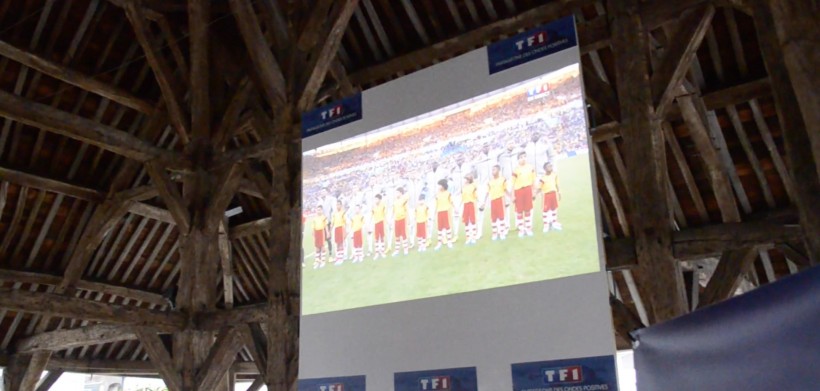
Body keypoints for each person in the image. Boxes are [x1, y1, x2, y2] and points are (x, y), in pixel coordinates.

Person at [512, 151, 535, 237]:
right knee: (519, 211)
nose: (523, 159)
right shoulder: (516, 170)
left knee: (528, 210)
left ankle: (528, 228)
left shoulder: (530, 167)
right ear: (518, 159)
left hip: (528, 189)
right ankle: (521, 229)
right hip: (518, 191)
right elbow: (512, 183)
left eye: (524, 157)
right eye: (521, 157)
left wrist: (534, 191)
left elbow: (533, 180)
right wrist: (512, 195)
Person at [485, 164, 510, 240]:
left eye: (494, 169)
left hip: (500, 199)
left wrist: (511, 197)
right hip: (493, 200)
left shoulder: (503, 179)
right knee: (493, 218)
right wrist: (484, 201)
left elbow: (505, 190)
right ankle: (495, 233)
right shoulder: (490, 182)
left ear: (499, 171)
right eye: (492, 170)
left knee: (501, 217)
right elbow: (487, 192)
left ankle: (502, 232)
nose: (493, 171)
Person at [537, 161, 562, 232]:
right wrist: (535, 194)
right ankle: (546, 225)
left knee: (554, 208)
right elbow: (539, 188)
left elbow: (556, 184)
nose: (551, 167)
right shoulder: (543, 178)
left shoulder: (554, 175)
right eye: (549, 166)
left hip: (553, 194)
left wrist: (559, 191)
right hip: (546, 195)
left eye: (551, 166)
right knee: (545, 210)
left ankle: (554, 223)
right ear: (545, 169)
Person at [434, 179, 454, 250]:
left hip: (446, 211)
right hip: (439, 212)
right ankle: (439, 242)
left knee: (447, 227)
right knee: (439, 228)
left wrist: (455, 208)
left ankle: (449, 241)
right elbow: (436, 204)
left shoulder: (448, 193)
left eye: (440, 185)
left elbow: (451, 202)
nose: (439, 186)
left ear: (443, 186)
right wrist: (435, 212)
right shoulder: (437, 194)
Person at [392, 187, 410, 256]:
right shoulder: (395, 201)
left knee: (403, 234)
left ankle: (406, 249)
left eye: (397, 192)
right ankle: (397, 250)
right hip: (396, 219)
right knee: (397, 235)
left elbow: (406, 210)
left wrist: (408, 219)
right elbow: (394, 211)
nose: (396, 194)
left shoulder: (404, 200)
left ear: (401, 193)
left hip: (402, 219)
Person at [461, 174, 479, 245]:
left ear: (468, 180)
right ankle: (468, 237)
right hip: (465, 204)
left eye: (465, 179)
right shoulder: (463, 188)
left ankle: (473, 237)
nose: (464, 180)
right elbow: (462, 197)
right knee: (466, 221)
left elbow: (476, 196)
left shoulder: (473, 186)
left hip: (471, 203)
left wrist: (480, 202)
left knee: (472, 220)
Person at [372, 193, 387, 259]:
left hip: (381, 222)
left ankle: (382, 251)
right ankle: (377, 252)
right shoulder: (373, 207)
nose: (375, 200)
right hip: (376, 223)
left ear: (380, 200)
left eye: (377, 199)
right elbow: (371, 215)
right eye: (375, 199)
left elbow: (384, 214)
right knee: (376, 238)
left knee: (382, 237)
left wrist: (387, 222)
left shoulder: (383, 206)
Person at [331, 200, 347, 265]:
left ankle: (341, 258)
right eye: (337, 205)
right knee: (337, 243)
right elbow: (332, 223)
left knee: (341, 243)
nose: (338, 206)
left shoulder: (343, 213)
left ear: (341, 205)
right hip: (336, 229)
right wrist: (330, 230)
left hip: (341, 228)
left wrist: (346, 231)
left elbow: (346, 222)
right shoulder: (334, 213)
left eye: (339, 205)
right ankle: (338, 257)